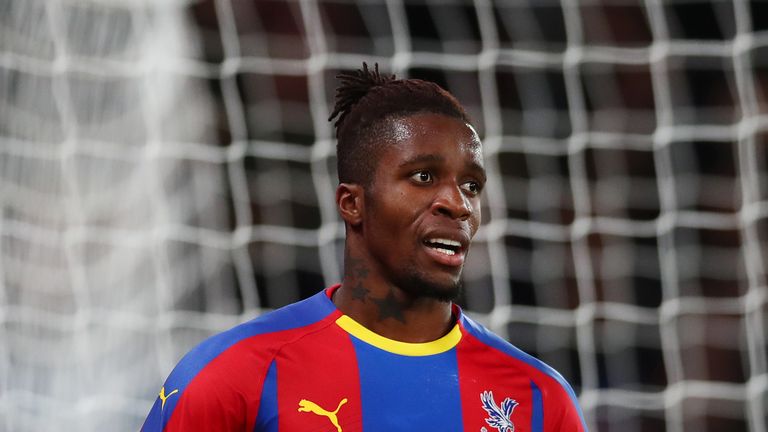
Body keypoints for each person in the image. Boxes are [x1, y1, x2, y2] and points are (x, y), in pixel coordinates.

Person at [141, 63, 587, 431]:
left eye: (472, 185)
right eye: (424, 177)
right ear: (352, 203)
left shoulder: (539, 401)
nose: (458, 204)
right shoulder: (234, 377)